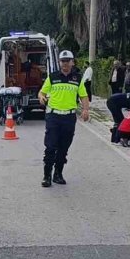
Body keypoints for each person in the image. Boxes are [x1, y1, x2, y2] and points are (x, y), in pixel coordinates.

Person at [38, 50, 90, 187]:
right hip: (53, 116)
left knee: (63, 147)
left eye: (68, 61)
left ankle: (58, 174)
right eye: (63, 61)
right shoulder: (53, 77)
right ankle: (47, 175)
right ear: (59, 62)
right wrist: (42, 97)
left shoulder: (78, 78)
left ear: (72, 62)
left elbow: (83, 96)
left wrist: (85, 110)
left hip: (69, 117)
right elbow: (42, 92)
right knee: (50, 147)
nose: (65, 64)